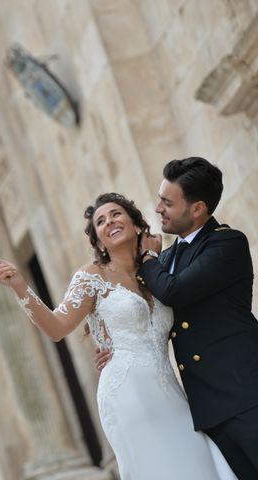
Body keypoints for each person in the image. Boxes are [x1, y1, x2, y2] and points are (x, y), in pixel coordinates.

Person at [0, 192, 236, 479]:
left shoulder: (157, 269)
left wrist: (151, 255)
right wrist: (20, 286)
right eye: (101, 222)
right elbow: (56, 327)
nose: (109, 222)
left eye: (116, 214)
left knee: (200, 464)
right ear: (99, 241)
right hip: (127, 392)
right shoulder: (92, 277)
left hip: (171, 392)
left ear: (135, 223)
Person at [95, 157, 258, 479]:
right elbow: (140, 307)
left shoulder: (225, 243)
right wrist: (114, 346)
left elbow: (174, 292)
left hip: (246, 395)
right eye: (159, 199)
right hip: (207, 407)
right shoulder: (167, 258)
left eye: (168, 202)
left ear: (197, 209)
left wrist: (147, 256)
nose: (157, 209)